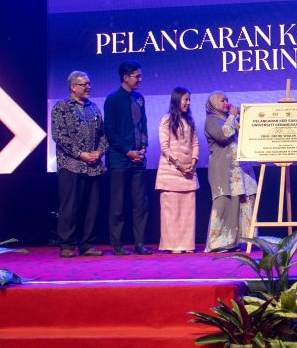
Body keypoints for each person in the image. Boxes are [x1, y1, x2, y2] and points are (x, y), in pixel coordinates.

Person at [51, 71, 107, 258]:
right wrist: (80, 154)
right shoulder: (61, 108)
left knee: (92, 208)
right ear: (73, 87)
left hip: (93, 166)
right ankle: (67, 245)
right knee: (70, 207)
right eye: (84, 84)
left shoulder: (94, 108)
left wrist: (99, 152)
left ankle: (87, 245)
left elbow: (103, 135)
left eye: (89, 84)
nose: (88, 87)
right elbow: (59, 136)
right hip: (71, 165)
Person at [104, 61, 152, 255]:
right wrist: (127, 151)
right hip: (119, 159)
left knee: (140, 202)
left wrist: (144, 147)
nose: (140, 79)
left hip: (138, 159)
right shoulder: (113, 99)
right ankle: (117, 245)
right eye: (137, 76)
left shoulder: (139, 98)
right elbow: (110, 131)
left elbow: (143, 124)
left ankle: (139, 243)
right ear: (125, 77)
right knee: (118, 203)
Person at [203, 91, 257, 253]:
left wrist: (241, 119)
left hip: (240, 169)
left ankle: (236, 241)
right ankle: (217, 243)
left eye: (227, 99)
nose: (226, 102)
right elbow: (222, 135)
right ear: (213, 104)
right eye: (222, 100)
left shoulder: (229, 119)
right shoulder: (211, 120)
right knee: (224, 203)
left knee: (241, 202)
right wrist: (232, 117)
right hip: (224, 169)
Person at [154, 87, 199, 254]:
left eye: (189, 99)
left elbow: (195, 144)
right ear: (177, 100)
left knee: (188, 212)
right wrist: (180, 165)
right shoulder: (166, 119)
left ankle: (186, 245)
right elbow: (165, 148)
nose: (188, 102)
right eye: (185, 99)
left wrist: (193, 162)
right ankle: (173, 245)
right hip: (171, 172)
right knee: (171, 212)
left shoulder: (190, 120)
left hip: (188, 173)